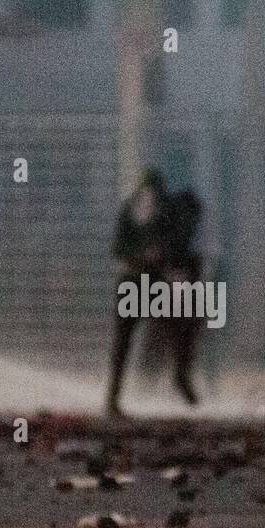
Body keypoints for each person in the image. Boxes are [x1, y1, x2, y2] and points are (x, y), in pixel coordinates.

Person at [105, 167, 170, 417]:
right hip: (132, 283)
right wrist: (142, 256)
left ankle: (155, 385)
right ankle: (113, 397)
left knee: (165, 331)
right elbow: (118, 248)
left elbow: (172, 246)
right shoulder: (129, 212)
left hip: (153, 284)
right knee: (122, 342)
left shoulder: (163, 215)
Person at [138, 187, 204, 405]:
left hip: (176, 298)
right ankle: (163, 383)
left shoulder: (181, 236)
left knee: (179, 337)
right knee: (163, 341)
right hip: (166, 297)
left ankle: (174, 380)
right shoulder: (170, 234)